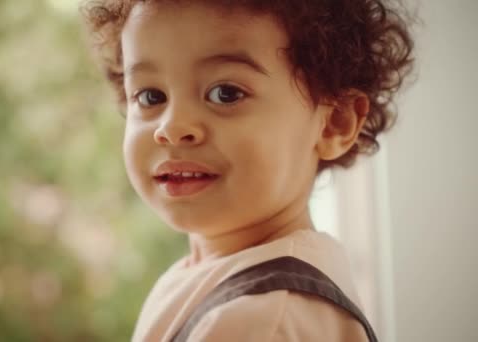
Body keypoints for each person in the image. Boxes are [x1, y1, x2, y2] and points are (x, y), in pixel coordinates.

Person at [82, 0, 415, 341]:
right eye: (151, 96)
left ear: (334, 123)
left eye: (225, 93)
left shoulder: (260, 319)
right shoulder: (214, 280)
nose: (172, 127)